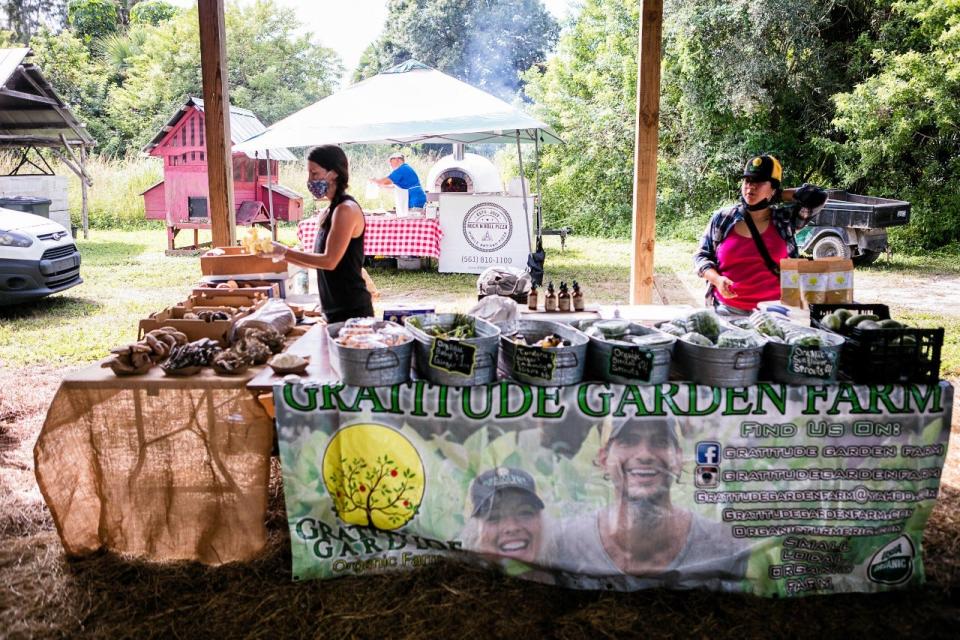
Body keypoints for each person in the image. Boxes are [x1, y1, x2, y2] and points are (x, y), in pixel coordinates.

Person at [554, 416, 749, 591]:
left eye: (660, 441)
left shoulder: (724, 547)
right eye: (628, 441)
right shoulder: (569, 542)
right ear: (604, 459)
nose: (645, 454)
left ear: (679, 459)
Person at [693, 155, 827, 314]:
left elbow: (818, 197)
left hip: (775, 313)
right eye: (747, 180)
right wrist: (717, 279)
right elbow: (700, 257)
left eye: (759, 181)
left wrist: (779, 195)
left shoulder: (785, 220)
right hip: (727, 311)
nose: (751, 186)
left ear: (774, 188)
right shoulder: (723, 218)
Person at [267, 145, 373, 323]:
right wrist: (280, 254)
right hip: (333, 308)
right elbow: (318, 260)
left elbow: (329, 261)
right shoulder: (328, 211)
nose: (310, 180)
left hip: (351, 311)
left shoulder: (345, 210)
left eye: (314, 174)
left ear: (334, 174)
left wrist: (284, 252)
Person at [461, 467, 551, 567]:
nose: (512, 527)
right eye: (494, 517)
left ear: (541, 521)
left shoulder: (565, 575)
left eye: (524, 513)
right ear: (475, 531)